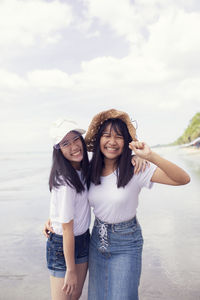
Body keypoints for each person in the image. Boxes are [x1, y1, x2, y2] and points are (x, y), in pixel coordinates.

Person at [84, 109, 190, 300]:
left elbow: (183, 179)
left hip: (126, 242)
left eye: (119, 136)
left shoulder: (136, 168)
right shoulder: (89, 170)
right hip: (96, 240)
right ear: (99, 139)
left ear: (127, 142)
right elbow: (71, 198)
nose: (112, 142)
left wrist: (150, 156)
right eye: (107, 135)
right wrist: (54, 220)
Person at [46, 119, 91, 300]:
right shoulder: (65, 182)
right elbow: (66, 229)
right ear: (58, 150)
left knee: (75, 296)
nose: (73, 146)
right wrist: (70, 269)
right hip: (62, 244)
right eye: (66, 143)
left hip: (82, 240)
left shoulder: (83, 170)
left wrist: (136, 157)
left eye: (75, 139)